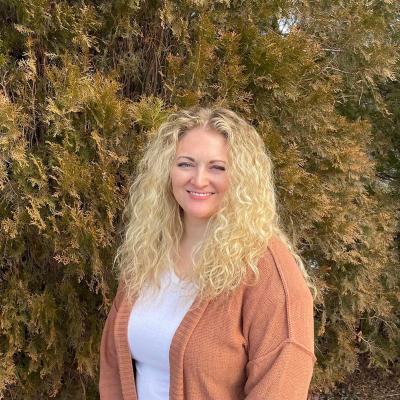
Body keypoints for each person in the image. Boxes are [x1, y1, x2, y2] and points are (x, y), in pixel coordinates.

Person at [99, 107, 316, 400]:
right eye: (186, 164)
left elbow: (282, 381)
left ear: (242, 176)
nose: (199, 180)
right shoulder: (149, 249)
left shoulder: (266, 271)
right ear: (167, 170)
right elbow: (114, 361)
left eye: (217, 167)